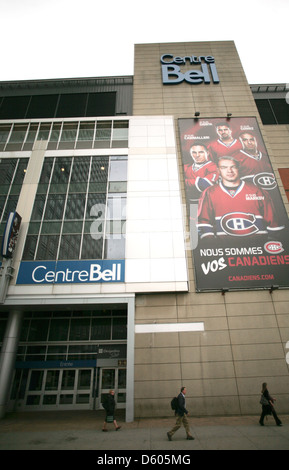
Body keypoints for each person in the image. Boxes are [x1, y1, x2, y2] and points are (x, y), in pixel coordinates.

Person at [197, 156, 284, 239]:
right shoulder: (209, 192)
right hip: (225, 247)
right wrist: (212, 243)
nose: (229, 171)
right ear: (218, 170)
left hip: (258, 246)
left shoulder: (258, 191)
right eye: (224, 167)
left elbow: (274, 224)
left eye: (233, 167)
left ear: (238, 168)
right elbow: (203, 222)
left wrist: (271, 244)